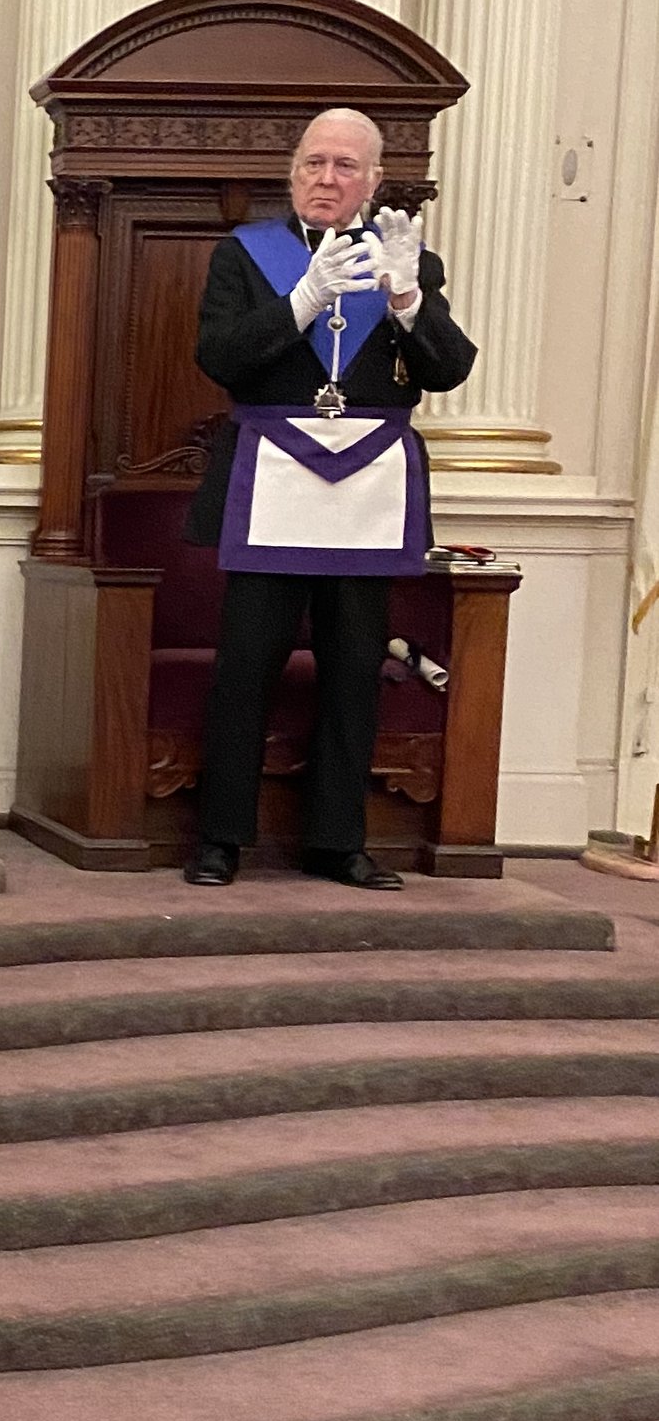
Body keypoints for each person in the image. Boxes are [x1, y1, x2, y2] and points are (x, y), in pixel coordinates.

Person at [184, 107, 478, 891]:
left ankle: (338, 841)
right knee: (247, 665)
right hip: (273, 478)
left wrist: (411, 302)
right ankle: (220, 837)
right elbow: (220, 356)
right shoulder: (246, 256)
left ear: (375, 180)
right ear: (293, 173)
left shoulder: (411, 260)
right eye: (314, 163)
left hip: (368, 490)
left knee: (354, 667)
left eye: (347, 166)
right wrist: (303, 301)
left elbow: (450, 370)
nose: (327, 178)